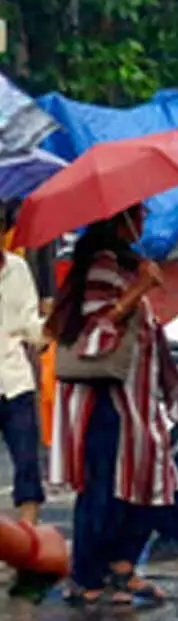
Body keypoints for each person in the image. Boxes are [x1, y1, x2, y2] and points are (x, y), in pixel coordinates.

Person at [46, 205, 178, 606]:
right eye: (137, 215)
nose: (143, 223)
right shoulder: (103, 266)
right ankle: (86, 575)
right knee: (103, 487)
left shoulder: (126, 264)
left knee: (145, 479)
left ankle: (121, 566)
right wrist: (138, 290)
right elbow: (96, 331)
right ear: (119, 220)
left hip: (135, 401)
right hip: (103, 399)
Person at [0, 212, 47, 526]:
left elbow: (32, 326)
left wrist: (51, 325)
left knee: (27, 459)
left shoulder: (17, 269)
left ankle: (28, 533)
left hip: (14, 377)